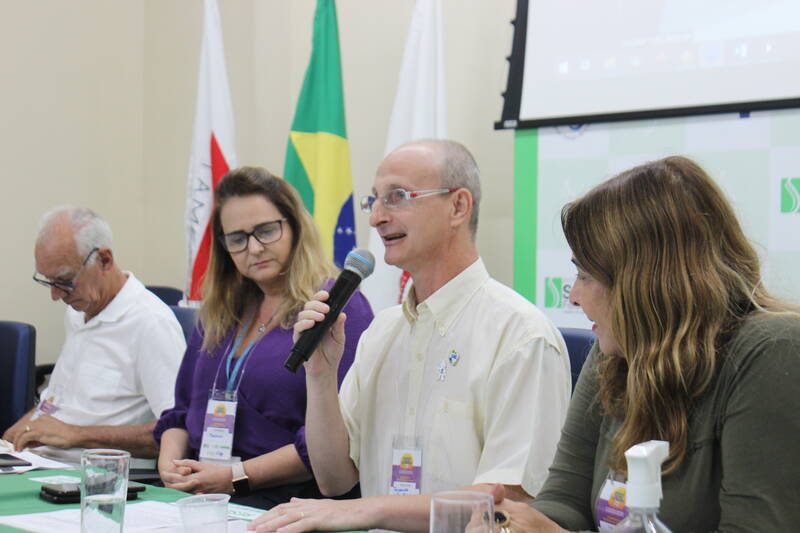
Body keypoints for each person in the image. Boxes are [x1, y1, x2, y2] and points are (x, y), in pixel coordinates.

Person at [249, 140, 571, 532]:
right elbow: (334, 480)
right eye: (374, 200)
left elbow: (512, 503)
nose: (376, 218)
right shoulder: (382, 332)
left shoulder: (521, 335)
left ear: (458, 206)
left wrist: (369, 510)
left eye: (397, 197)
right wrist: (320, 375)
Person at [488, 156, 800, 532]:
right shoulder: (616, 350)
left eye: (586, 275)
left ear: (644, 280)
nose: (573, 296)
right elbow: (564, 500)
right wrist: (513, 524)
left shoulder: (772, 353)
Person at [154, 167, 374, 509]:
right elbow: (181, 412)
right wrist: (170, 465)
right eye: (237, 238)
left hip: (289, 502)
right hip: (200, 493)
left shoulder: (334, 306)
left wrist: (235, 477)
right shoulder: (219, 309)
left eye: (266, 231)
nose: (254, 248)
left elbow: (342, 434)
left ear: (295, 227)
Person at [2, 206, 185, 466]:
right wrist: (29, 424)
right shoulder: (78, 312)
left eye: (64, 280)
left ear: (105, 260)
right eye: (48, 281)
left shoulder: (151, 323)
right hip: (44, 462)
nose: (56, 295)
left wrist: (77, 435)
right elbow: (60, 400)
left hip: (98, 475)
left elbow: (177, 430)